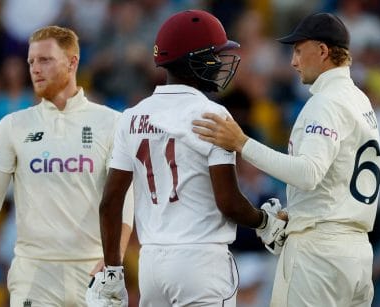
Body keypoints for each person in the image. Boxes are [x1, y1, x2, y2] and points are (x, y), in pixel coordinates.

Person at [92, 10, 287, 307]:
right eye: (214, 56)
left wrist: (114, 270)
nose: (221, 63)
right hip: (202, 262)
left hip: (151, 264)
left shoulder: (130, 117)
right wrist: (264, 222)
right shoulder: (212, 114)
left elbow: (110, 204)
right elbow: (229, 202)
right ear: (194, 60)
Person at [192, 12, 380, 306]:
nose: (293, 61)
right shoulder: (359, 100)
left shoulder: (326, 102)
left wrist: (241, 143)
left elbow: (308, 173)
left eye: (298, 50)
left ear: (322, 51)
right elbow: (335, 178)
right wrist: (298, 213)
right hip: (356, 252)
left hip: (320, 254)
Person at [0, 25, 134, 306]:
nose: (35, 69)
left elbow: (123, 199)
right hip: (34, 275)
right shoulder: (12, 126)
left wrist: (113, 261)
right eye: (31, 61)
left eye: (45, 60)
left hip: (94, 273)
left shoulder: (111, 123)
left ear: (73, 62)